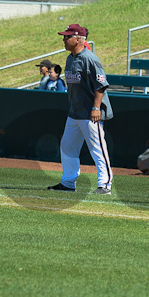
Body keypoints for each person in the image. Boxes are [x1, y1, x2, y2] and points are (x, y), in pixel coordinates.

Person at [48, 24, 114, 194]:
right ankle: (68, 182)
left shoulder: (90, 58)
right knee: (67, 145)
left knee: (97, 148)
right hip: (75, 112)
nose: (64, 39)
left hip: (90, 113)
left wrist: (96, 108)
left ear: (78, 39)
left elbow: (101, 85)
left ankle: (104, 184)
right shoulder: (70, 58)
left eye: (67, 37)